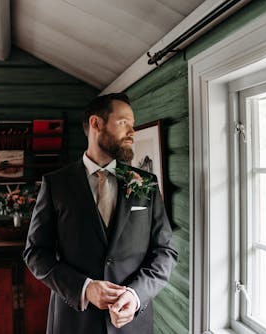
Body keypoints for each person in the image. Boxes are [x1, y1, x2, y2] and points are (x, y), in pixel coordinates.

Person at [23, 93, 178, 334]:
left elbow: (165, 251)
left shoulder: (145, 183)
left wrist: (136, 295)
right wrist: (83, 288)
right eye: (123, 122)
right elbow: (35, 253)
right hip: (73, 322)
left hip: (132, 324)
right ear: (96, 124)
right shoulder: (56, 184)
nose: (132, 132)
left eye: (132, 124)